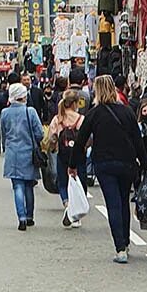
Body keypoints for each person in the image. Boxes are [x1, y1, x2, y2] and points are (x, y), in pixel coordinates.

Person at [69, 75, 147, 263]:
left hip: (104, 163)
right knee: (123, 202)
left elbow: (80, 141)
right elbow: (137, 139)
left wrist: (72, 165)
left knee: (113, 204)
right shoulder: (127, 112)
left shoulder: (94, 114)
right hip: (127, 162)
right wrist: (144, 164)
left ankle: (120, 248)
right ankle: (126, 242)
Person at [0, 82, 44, 231]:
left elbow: (3, 134)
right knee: (28, 185)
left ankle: (21, 218)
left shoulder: (4, 113)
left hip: (12, 152)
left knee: (17, 185)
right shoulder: (30, 111)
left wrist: (6, 146)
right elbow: (39, 133)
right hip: (28, 152)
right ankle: (30, 216)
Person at [49, 90, 86, 228]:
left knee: (63, 182)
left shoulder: (58, 118)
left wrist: (53, 147)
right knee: (79, 181)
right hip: (78, 154)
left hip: (62, 154)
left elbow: (52, 137)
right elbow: (87, 138)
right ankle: (75, 211)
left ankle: (67, 204)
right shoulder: (80, 119)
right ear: (76, 103)